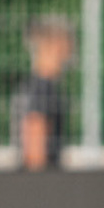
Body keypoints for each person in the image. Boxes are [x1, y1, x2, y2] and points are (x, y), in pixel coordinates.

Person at [12, 15, 74, 171]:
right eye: (66, 46)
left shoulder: (37, 87)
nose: (69, 54)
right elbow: (34, 154)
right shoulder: (42, 90)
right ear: (52, 46)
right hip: (41, 187)